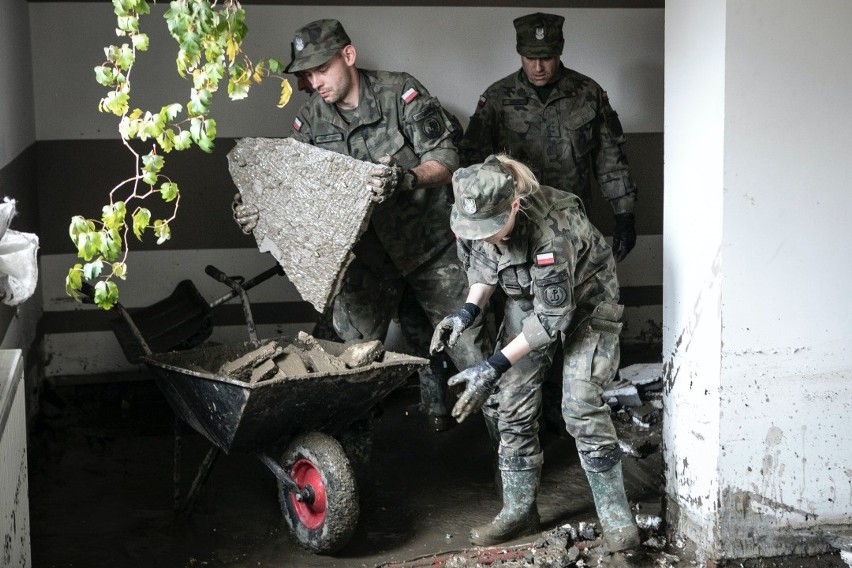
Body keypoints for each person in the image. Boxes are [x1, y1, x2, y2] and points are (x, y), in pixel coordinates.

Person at [233, 18, 493, 431]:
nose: (314, 81)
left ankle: (511, 463)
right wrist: (258, 210)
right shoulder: (311, 122)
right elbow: (291, 187)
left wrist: (406, 178)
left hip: (431, 247)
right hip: (368, 258)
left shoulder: (399, 93)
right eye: (307, 74)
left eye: (322, 69)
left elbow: (446, 159)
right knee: (345, 364)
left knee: (476, 354)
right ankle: (341, 470)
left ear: (348, 56)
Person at [430, 154, 640, 553]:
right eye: (476, 231)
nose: (484, 236)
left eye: (492, 228)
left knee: (580, 403)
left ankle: (617, 519)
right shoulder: (476, 220)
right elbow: (486, 268)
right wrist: (465, 312)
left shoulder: (552, 232)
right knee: (511, 401)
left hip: (585, 303)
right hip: (530, 299)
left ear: (514, 205)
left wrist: (492, 365)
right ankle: (520, 511)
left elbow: (551, 321)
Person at [459, 12, 638, 263]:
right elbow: (472, 165)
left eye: (546, 57)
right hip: (516, 225)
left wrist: (624, 216)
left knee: (574, 294)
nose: (538, 67)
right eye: (530, 58)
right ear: (520, 53)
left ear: (560, 51)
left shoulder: (587, 93)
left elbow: (610, 159)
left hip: (573, 222)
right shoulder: (498, 98)